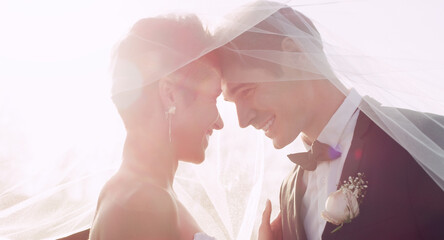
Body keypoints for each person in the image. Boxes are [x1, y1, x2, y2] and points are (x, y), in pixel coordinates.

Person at [216, 1, 444, 240]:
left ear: (294, 54)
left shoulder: (423, 137)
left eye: (246, 91)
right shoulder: (289, 192)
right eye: (233, 103)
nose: (242, 120)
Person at [85, 15, 223, 240]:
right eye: (214, 98)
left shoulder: (134, 190)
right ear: (170, 95)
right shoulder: (145, 203)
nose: (220, 122)